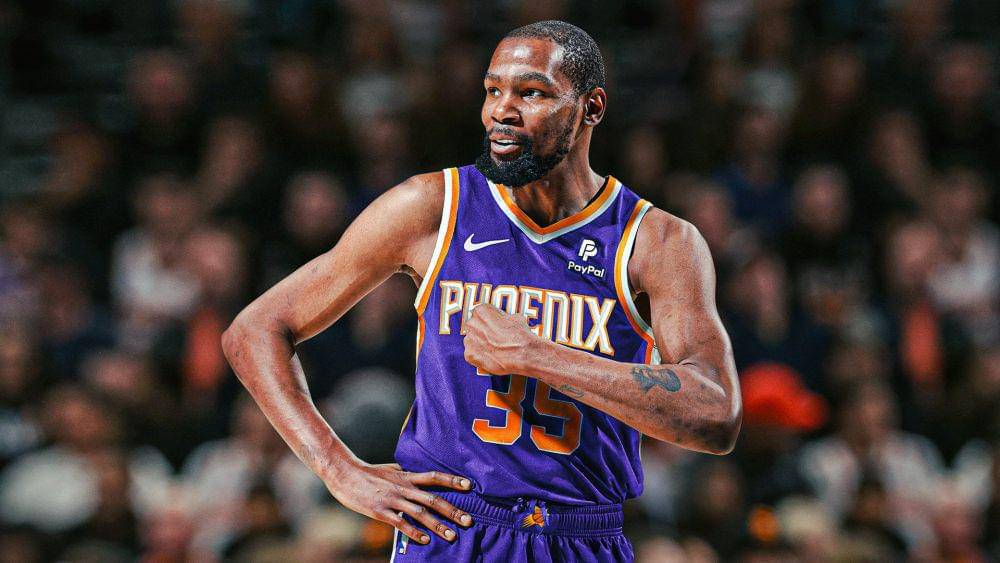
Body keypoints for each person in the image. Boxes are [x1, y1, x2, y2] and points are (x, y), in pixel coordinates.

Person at [222, 20, 741, 562]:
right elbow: (254, 330)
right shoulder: (433, 207)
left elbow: (716, 414)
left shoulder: (657, 241)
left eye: (532, 93)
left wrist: (538, 356)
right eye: (493, 91)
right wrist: (338, 469)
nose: (502, 111)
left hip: (584, 532)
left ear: (591, 107)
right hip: (453, 529)